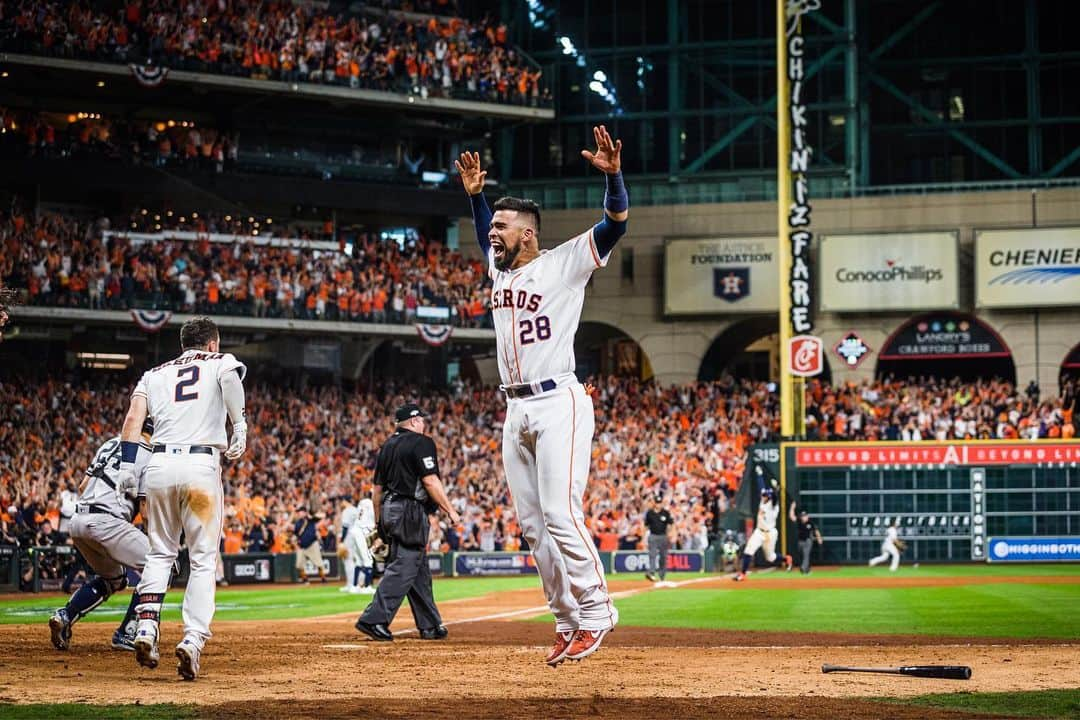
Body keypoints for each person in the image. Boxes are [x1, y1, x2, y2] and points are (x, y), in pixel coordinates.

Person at [455, 124, 629, 666]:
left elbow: (615, 225)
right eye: (493, 229)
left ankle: (598, 613)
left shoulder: (563, 262)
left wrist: (614, 177)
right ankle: (565, 619)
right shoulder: (499, 267)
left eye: (503, 228)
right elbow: (489, 229)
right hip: (515, 407)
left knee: (559, 512)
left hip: (559, 402)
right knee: (533, 527)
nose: (493, 234)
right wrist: (478, 198)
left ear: (528, 235)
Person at [120, 316, 247, 681]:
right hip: (200, 465)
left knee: (159, 552)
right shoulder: (220, 362)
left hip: (157, 465)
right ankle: (192, 640)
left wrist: (130, 467)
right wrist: (239, 423)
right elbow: (229, 380)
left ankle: (145, 629)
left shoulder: (154, 373)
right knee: (204, 560)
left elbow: (133, 419)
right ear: (211, 344)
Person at [354, 403, 460, 641]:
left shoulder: (387, 446)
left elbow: (377, 490)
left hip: (390, 510)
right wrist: (450, 511)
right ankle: (374, 619)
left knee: (417, 567)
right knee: (405, 564)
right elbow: (431, 481)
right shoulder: (422, 442)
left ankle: (430, 624)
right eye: (421, 420)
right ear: (413, 421)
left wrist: (381, 522)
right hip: (409, 511)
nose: (424, 424)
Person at [48, 420, 155, 652]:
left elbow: (83, 486)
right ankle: (127, 632)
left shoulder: (110, 443)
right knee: (161, 565)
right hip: (107, 521)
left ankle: (66, 615)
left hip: (78, 522)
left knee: (114, 579)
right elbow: (145, 510)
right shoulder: (150, 455)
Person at [735, 467, 793, 581]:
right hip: (759, 531)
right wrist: (759, 474)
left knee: (770, 558)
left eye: (766, 496)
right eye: (765, 495)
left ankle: (786, 559)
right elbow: (761, 486)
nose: (764, 496)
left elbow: (775, 497)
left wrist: (777, 488)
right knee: (749, 550)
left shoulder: (774, 505)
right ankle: (743, 574)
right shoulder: (763, 499)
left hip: (770, 533)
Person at [643, 495, 673, 584]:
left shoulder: (665, 513)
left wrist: (670, 533)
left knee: (663, 556)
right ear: (654, 503)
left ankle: (662, 575)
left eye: (659, 503)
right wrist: (643, 538)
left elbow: (670, 524)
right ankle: (651, 573)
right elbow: (646, 526)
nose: (658, 505)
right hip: (653, 536)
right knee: (652, 555)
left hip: (663, 536)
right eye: (657, 503)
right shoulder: (650, 513)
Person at [293, 507, 326, 584]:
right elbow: (296, 534)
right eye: (298, 512)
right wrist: (296, 543)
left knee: (319, 563)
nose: (299, 513)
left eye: (300, 512)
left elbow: (322, 516)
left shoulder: (310, 519)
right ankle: (305, 580)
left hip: (312, 544)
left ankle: (323, 578)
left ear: (304, 512)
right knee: (299, 565)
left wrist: (311, 515)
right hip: (302, 546)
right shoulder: (298, 523)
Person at [789, 502, 824, 575]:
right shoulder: (799, 521)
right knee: (803, 556)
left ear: (807, 516)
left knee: (806, 555)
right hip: (800, 542)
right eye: (802, 516)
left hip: (808, 541)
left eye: (805, 516)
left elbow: (816, 531)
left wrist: (819, 538)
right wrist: (792, 508)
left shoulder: (810, 523)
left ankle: (803, 568)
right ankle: (807, 570)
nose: (803, 517)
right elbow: (792, 516)